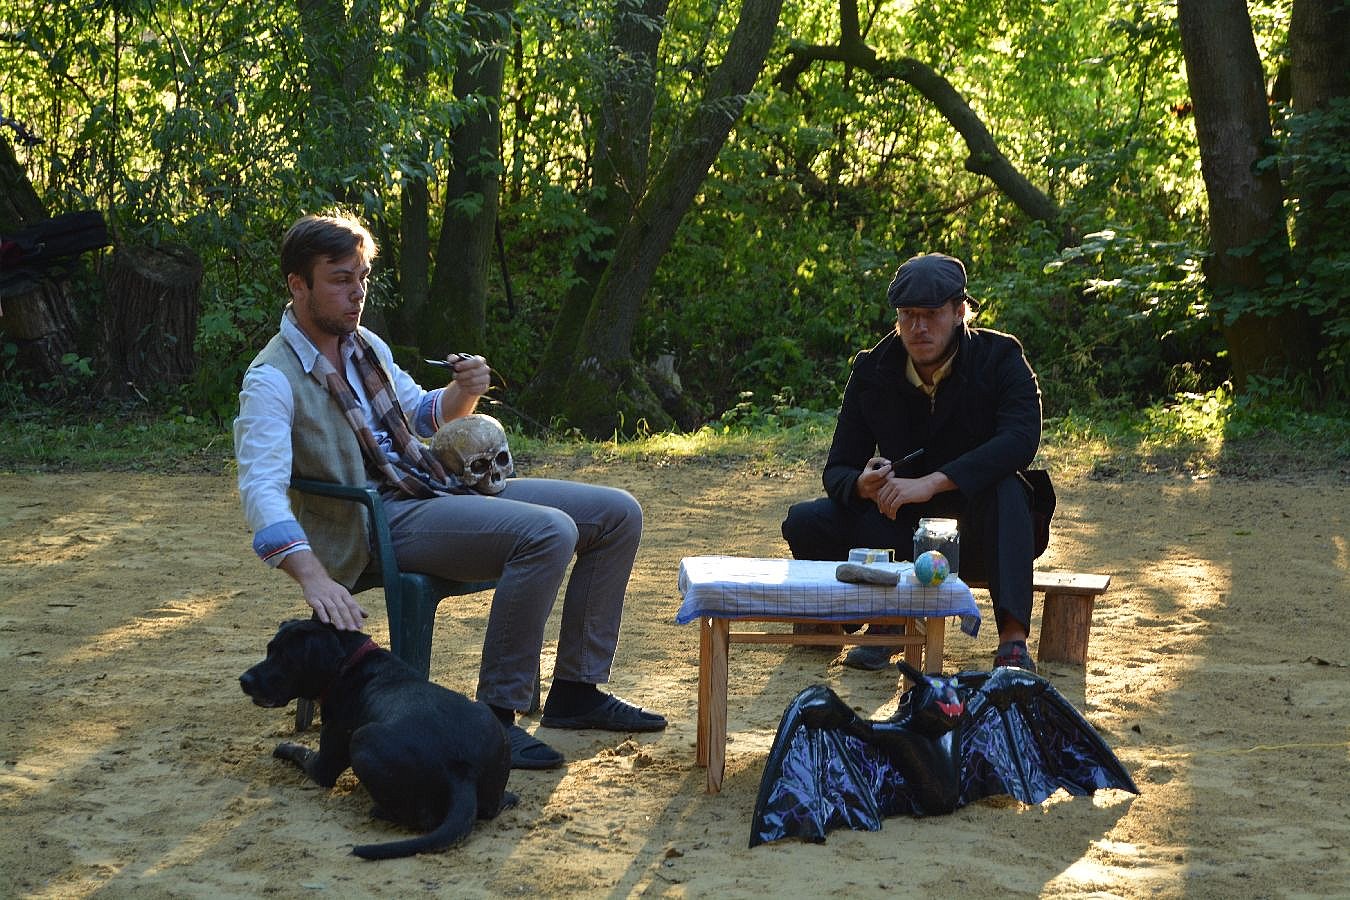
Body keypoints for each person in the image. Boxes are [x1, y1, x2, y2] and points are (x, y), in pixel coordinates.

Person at [234, 213, 665, 771]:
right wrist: (313, 576)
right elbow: (261, 490)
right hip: (373, 520)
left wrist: (464, 389)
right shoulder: (271, 379)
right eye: (340, 280)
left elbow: (423, 414)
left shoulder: (365, 345)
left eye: (362, 278)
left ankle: (576, 691)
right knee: (548, 532)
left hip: (429, 485)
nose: (357, 293)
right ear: (298, 285)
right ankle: (497, 718)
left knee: (617, 514)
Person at [781, 252, 1047, 673]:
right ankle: (884, 620)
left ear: (959, 312)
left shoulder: (1000, 356)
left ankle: (1012, 640)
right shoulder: (872, 368)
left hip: (982, 533)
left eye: (931, 314)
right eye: (908, 315)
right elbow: (838, 469)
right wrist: (862, 484)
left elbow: (1020, 439)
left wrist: (933, 482)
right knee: (805, 521)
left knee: (1008, 487)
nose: (919, 327)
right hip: (901, 524)